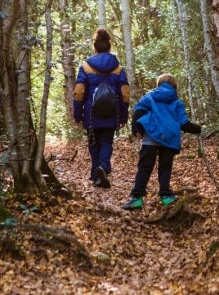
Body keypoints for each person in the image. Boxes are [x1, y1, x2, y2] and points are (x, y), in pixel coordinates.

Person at [122, 73, 201, 210]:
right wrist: (198, 129)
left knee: (144, 168)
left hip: (150, 137)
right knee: (165, 168)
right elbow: (184, 124)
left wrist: (136, 130)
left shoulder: (150, 97)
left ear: (159, 84)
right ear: (174, 87)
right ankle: (166, 196)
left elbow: (137, 113)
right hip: (168, 139)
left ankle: (137, 199)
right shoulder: (177, 103)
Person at [74, 28, 130, 188]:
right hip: (112, 113)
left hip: (91, 114)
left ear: (95, 47)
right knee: (106, 142)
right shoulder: (118, 68)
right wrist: (124, 116)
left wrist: (78, 114)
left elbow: (79, 92)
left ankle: (95, 173)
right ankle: (103, 169)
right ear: (109, 46)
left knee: (93, 143)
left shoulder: (86, 66)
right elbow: (125, 94)